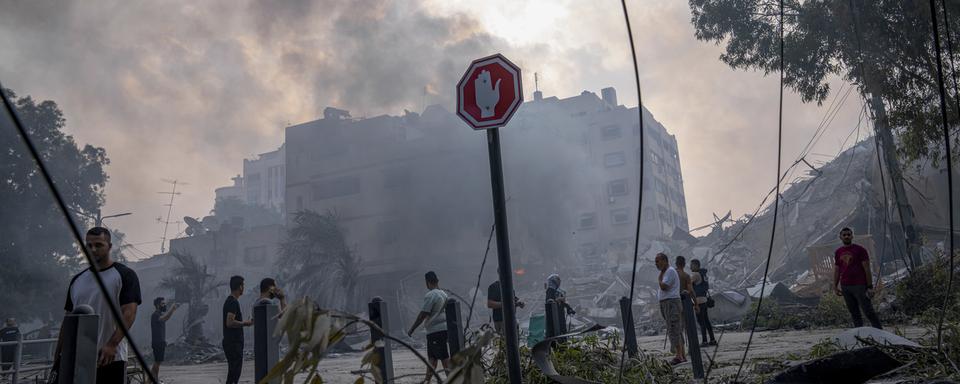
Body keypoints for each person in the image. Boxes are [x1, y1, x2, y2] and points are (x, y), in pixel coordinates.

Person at [57, 227, 142, 383]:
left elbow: (129, 314)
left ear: (109, 246)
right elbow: (68, 320)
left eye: (98, 245)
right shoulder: (77, 280)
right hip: (76, 360)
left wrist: (111, 345)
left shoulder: (124, 275)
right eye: (89, 245)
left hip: (109, 358)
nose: (93, 249)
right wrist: (58, 357)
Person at [833, 227, 882, 329]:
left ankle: (880, 332)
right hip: (845, 286)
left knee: (868, 311)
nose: (846, 236)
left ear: (852, 236)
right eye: (844, 235)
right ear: (840, 237)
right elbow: (837, 270)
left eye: (848, 234)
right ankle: (859, 334)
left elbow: (867, 269)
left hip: (859, 285)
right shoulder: (838, 252)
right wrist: (835, 286)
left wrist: (869, 286)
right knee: (854, 313)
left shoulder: (860, 250)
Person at [406, 271, 449, 383]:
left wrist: (412, 329)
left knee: (444, 357)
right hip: (443, 330)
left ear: (427, 282)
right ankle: (427, 380)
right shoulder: (444, 294)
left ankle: (452, 379)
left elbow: (422, 315)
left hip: (435, 331)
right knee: (432, 358)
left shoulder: (431, 295)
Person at [655, 253, 685, 365]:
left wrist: (659, 278)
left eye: (658, 261)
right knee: (674, 328)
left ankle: (679, 356)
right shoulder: (666, 272)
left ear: (664, 261)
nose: (656, 264)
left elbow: (664, 286)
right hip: (667, 303)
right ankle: (682, 354)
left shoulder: (670, 271)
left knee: (674, 328)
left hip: (671, 303)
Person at [223, 275, 253, 384]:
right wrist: (246, 323)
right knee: (234, 374)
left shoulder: (231, 301)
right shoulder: (232, 302)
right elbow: (229, 322)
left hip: (233, 343)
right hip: (233, 343)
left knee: (233, 374)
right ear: (240, 287)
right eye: (243, 285)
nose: (244, 288)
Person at [150, 297, 179, 380]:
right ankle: (154, 379)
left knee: (157, 362)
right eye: (163, 304)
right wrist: (172, 309)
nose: (164, 305)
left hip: (160, 342)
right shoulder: (155, 315)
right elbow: (165, 318)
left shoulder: (159, 314)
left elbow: (165, 318)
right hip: (157, 343)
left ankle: (150, 380)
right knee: (157, 362)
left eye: (164, 303)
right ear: (157, 305)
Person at [690, 259, 717, 346]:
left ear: (696, 266)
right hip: (704, 300)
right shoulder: (704, 274)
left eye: (692, 265)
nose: (690, 267)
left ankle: (704, 341)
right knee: (706, 321)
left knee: (701, 321)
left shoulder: (696, 274)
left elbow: (688, 284)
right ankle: (712, 339)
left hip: (698, 301)